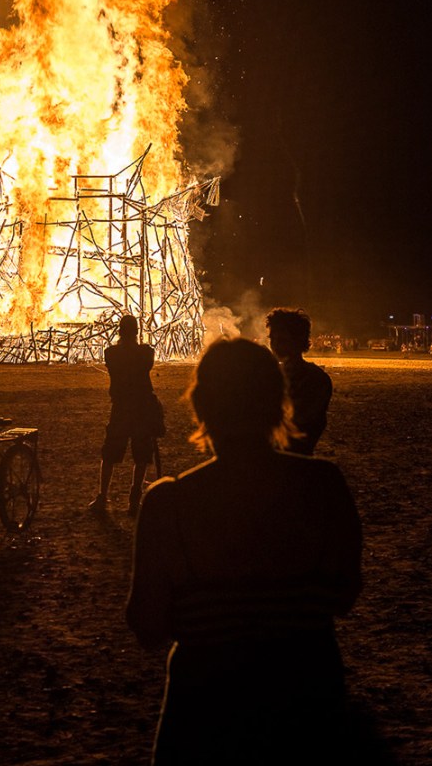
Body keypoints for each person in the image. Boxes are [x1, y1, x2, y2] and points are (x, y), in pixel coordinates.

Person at [126, 337, 362, 765]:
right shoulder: (323, 487)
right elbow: (344, 593)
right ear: (278, 403)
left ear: (201, 405)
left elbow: (148, 625)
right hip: (306, 708)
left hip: (206, 714)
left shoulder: (169, 504)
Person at [89, 313, 163, 517]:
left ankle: (103, 496)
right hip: (141, 409)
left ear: (119, 331)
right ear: (137, 332)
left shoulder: (111, 353)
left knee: (110, 453)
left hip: (121, 409)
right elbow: (147, 363)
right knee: (141, 455)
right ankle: (134, 501)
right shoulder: (146, 353)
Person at [266, 306, 333, 454]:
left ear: (299, 341)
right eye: (272, 339)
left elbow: (302, 422)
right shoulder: (271, 375)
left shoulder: (314, 379)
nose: (275, 345)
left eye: (282, 340)